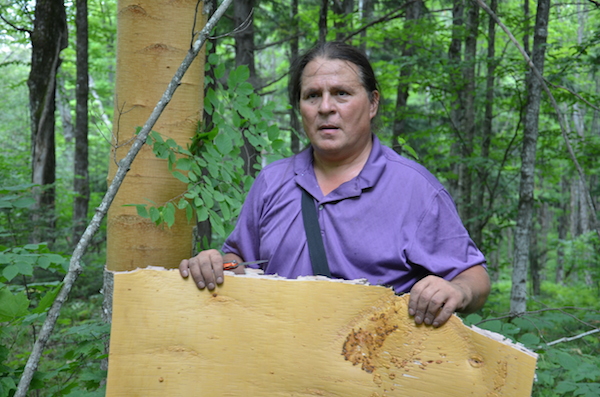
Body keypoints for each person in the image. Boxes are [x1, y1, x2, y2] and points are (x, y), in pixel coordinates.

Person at [180, 41, 490, 328]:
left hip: (375, 373)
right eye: (312, 95)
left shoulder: (414, 189)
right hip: (279, 368)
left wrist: (456, 290)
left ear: (372, 103)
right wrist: (216, 264)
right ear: (300, 107)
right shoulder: (272, 182)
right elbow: (239, 261)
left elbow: (473, 277)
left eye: (341, 93)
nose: (325, 107)